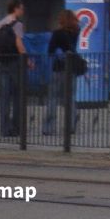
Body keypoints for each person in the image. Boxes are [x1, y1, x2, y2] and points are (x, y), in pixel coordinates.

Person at [0, 0, 28, 138]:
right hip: (14, 62)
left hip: (1, 62)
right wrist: (27, 59)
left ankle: (4, 129)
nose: (23, 12)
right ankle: (16, 128)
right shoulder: (17, 24)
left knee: (4, 97)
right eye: (21, 9)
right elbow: (19, 44)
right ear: (16, 9)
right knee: (18, 95)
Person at [42, 9, 81, 137]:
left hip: (58, 68)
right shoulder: (76, 32)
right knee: (70, 97)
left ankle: (48, 128)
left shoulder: (57, 33)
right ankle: (71, 124)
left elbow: (50, 51)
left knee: (53, 98)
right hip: (71, 69)